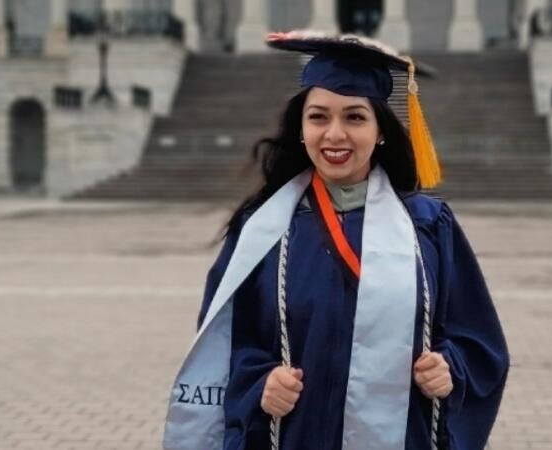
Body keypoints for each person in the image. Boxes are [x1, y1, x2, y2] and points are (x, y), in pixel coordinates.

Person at [164, 30, 509, 449]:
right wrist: (260, 383)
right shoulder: (263, 231)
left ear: (380, 130)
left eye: (355, 117)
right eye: (319, 117)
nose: (334, 134)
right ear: (301, 128)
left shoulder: (428, 226)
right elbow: (226, 345)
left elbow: (478, 341)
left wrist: (450, 367)